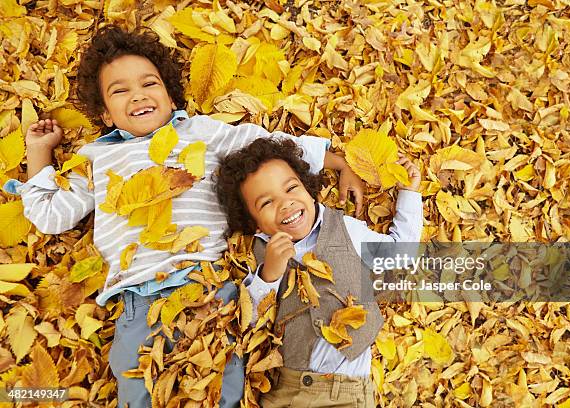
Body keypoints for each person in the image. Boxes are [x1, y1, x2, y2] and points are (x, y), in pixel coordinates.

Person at [10, 25, 365, 408]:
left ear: (168, 92)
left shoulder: (199, 131)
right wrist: (40, 152)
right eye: (120, 91)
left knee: (222, 390)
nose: (139, 95)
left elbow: (265, 146)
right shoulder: (97, 158)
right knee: (136, 391)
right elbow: (50, 215)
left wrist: (337, 161)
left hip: (209, 291)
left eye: (150, 84)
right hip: (138, 299)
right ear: (105, 114)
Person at [215, 138, 423, 407]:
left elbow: (398, 257)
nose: (286, 203)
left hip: (346, 392)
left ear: (309, 190)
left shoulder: (343, 228)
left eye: (292, 188)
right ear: (254, 225)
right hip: (285, 390)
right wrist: (269, 275)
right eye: (267, 203)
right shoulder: (258, 254)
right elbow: (251, 323)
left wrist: (409, 193)